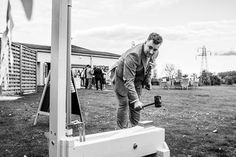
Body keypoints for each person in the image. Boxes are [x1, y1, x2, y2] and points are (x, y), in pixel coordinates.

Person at [110, 32, 163, 129]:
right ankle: (122, 131)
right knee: (124, 103)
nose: (151, 52)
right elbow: (128, 80)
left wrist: (148, 81)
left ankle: (136, 129)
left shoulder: (155, 53)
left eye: (155, 49)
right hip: (121, 77)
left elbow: (149, 66)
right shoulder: (133, 55)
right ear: (145, 42)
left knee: (135, 105)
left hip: (137, 78)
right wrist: (135, 100)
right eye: (150, 47)